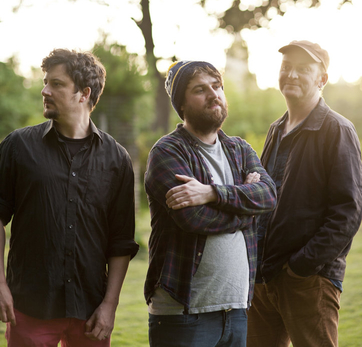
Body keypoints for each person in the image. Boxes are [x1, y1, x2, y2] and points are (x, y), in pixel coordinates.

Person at [0, 49, 139, 347]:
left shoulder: (117, 159)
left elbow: (121, 241)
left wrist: (110, 306)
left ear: (83, 93)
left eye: (56, 84)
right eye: (46, 82)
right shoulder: (17, 147)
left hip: (91, 313)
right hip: (29, 305)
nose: (45, 90)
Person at [144, 60, 277, 347]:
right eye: (200, 90)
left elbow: (268, 195)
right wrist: (246, 210)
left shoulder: (239, 149)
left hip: (237, 308)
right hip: (183, 313)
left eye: (217, 86)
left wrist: (212, 193)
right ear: (182, 104)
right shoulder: (167, 151)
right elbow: (193, 218)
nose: (213, 94)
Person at [247, 40, 362, 347]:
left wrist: (301, 267)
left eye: (303, 69)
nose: (292, 75)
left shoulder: (337, 129)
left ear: (321, 79)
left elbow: (348, 212)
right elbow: (266, 198)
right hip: (263, 277)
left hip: (308, 280)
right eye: (286, 68)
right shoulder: (276, 129)